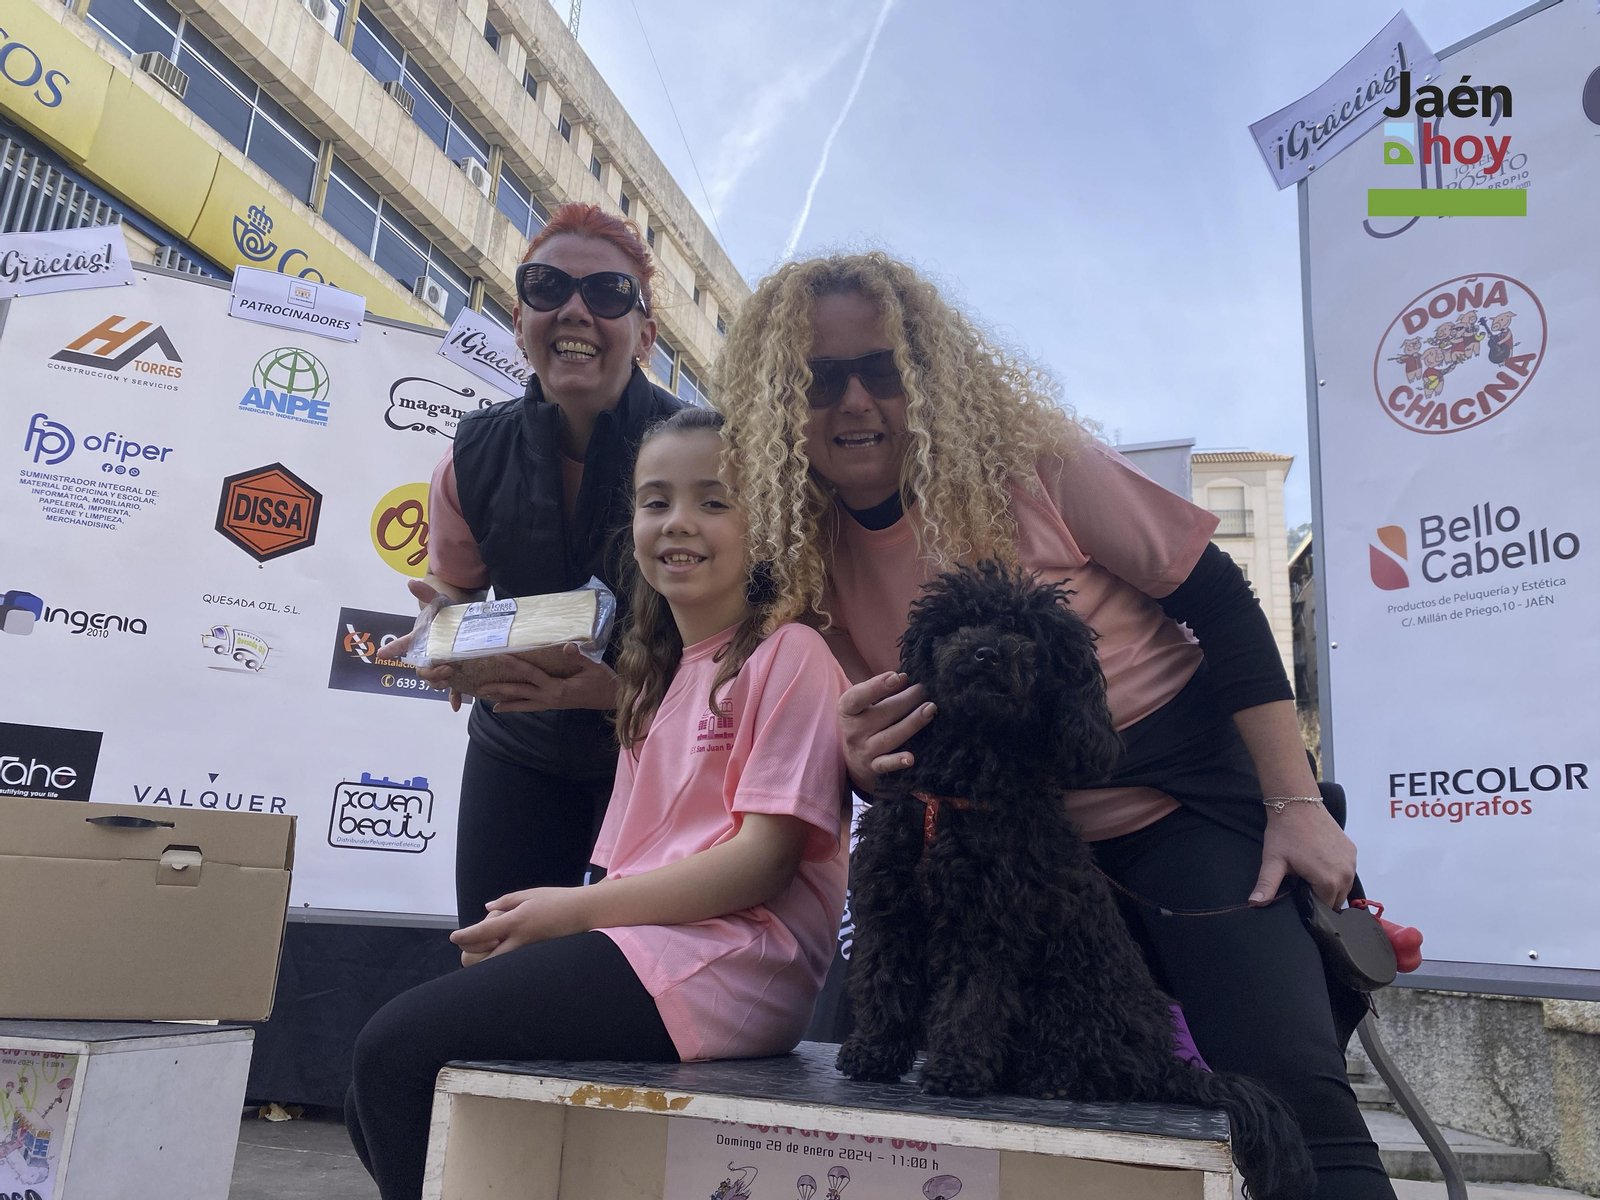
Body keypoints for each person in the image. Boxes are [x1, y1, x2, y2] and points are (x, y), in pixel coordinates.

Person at [714, 252, 1396, 1200]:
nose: (856, 402)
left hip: (1180, 804)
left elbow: (1225, 602)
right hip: (997, 843)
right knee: (857, 1069)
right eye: (821, 379)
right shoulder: (795, 553)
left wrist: (1293, 801)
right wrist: (862, 759)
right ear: (781, 401)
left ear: (927, 380)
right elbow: (829, 731)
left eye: (884, 371)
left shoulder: (1036, 466)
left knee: (1295, 1100)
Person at [346, 408, 852, 1200]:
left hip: (739, 965)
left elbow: (763, 862)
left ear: (770, 525)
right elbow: (623, 864)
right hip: (652, 949)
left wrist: (567, 916)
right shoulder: (658, 682)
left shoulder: (792, 654)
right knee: (375, 1086)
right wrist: (542, 932)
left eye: (714, 501)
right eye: (656, 502)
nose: (679, 522)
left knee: (396, 1054)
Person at [416, 203, 681, 927]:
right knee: (492, 958)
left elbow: (745, 653)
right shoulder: (469, 457)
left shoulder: (708, 455)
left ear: (645, 335)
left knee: (627, 996)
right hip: (517, 755)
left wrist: (618, 694)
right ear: (519, 317)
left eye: (607, 294)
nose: (574, 310)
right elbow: (455, 588)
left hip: (661, 761)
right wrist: (438, 628)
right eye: (547, 287)